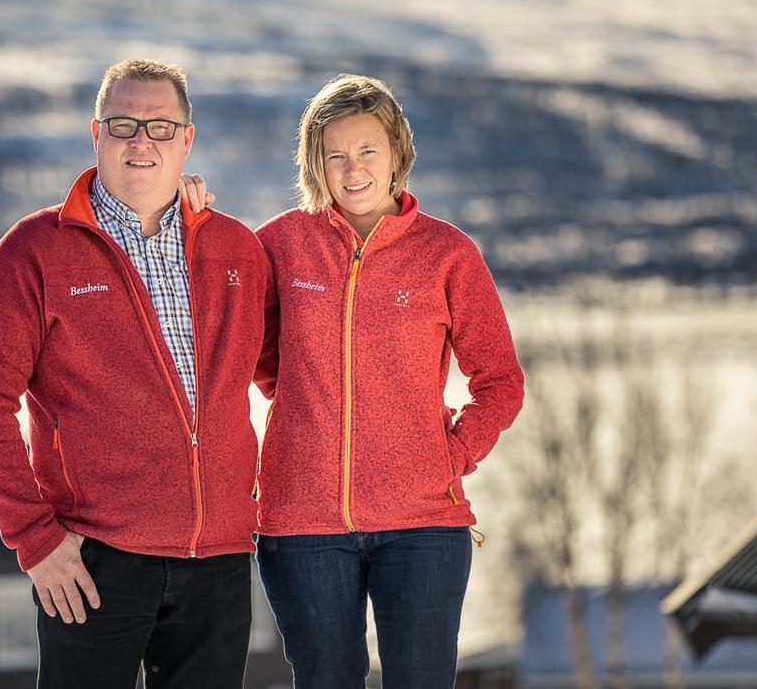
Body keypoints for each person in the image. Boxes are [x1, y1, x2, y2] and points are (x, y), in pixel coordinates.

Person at [182, 73, 524, 689]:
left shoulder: (447, 254)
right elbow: (247, 350)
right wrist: (302, 404)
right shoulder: (280, 244)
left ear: (397, 154)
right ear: (315, 163)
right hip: (301, 523)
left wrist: (449, 455)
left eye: (368, 150)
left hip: (422, 524)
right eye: (335, 154)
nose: (353, 168)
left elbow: (500, 381)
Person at [0, 59, 269, 689]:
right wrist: (35, 539)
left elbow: (291, 379)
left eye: (159, 126)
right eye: (124, 125)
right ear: (96, 134)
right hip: (92, 563)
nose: (141, 141)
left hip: (220, 557)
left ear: (188, 139)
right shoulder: (37, 250)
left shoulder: (236, 248)